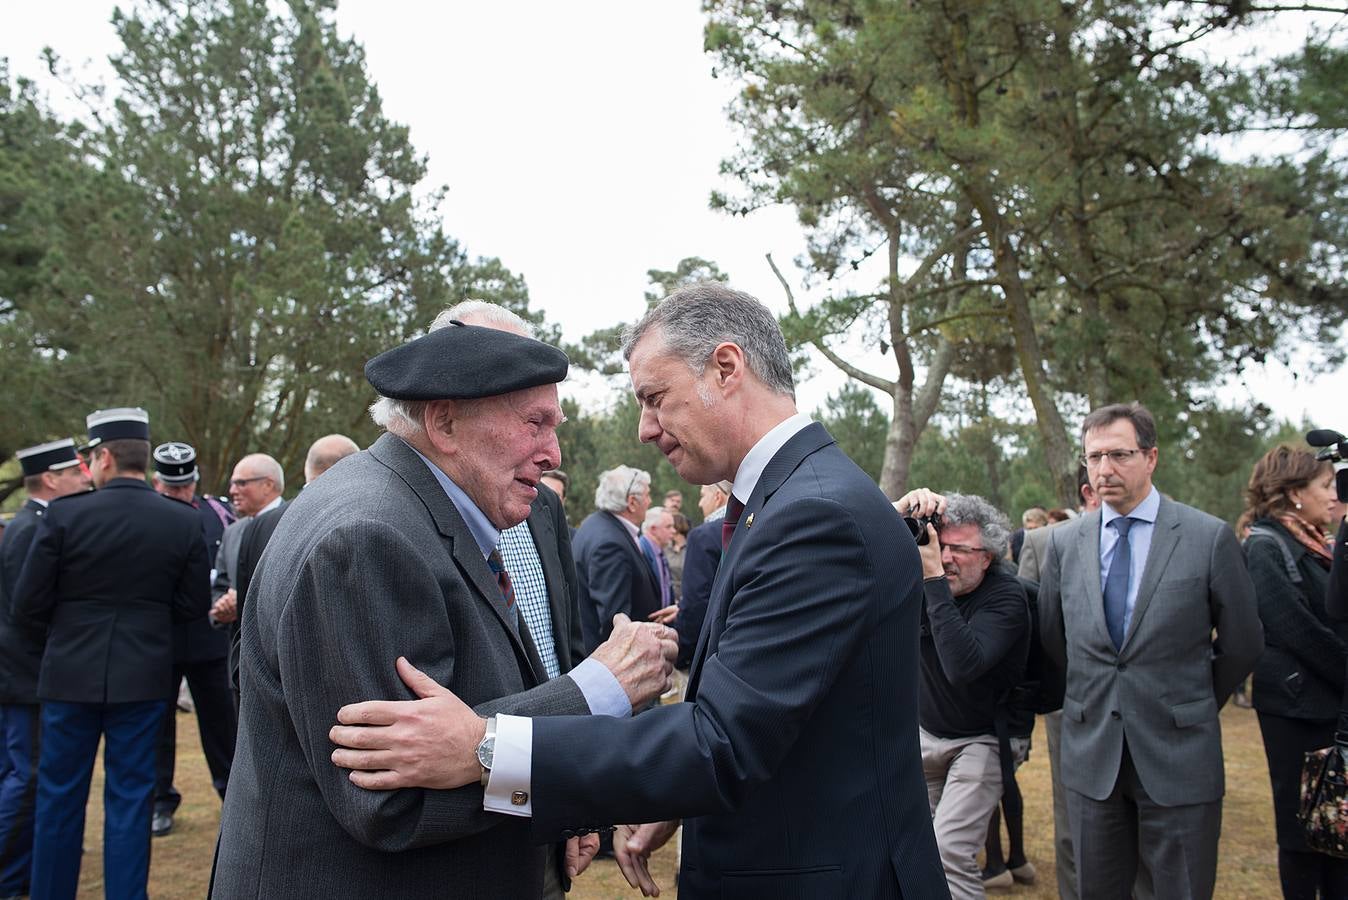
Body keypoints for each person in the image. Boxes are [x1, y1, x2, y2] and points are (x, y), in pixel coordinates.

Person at [330, 282, 949, 899]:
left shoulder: (814, 516)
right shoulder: (791, 501)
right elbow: (777, 719)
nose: (645, 429)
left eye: (656, 399)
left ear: (726, 368)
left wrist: (484, 748)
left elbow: (721, 744)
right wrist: (675, 797)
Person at [208, 321, 676, 898]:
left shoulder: (409, 512)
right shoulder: (368, 538)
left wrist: (554, 806)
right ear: (445, 422)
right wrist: (597, 692)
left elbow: (464, 726)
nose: (552, 453)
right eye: (535, 424)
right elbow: (394, 801)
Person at [1039, 402, 1262, 900]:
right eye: (1093, 458)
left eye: (1119, 454)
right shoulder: (1062, 544)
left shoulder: (1207, 538)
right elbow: (1056, 640)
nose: (1104, 470)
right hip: (1093, 757)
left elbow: (1244, 644)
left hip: (1179, 757)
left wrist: (1191, 701)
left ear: (1152, 457)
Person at [13, 408, 210, 900]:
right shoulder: (181, 521)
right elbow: (191, 607)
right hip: (142, 676)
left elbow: (28, 605)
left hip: (67, 675)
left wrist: (62, 642)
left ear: (103, 457)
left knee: (59, 799)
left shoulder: (64, 515)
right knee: (129, 799)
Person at [895, 489, 1030, 900]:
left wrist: (933, 577)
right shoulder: (917, 577)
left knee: (950, 853)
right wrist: (897, 513)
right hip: (928, 732)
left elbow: (961, 666)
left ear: (988, 557)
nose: (946, 557)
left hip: (984, 738)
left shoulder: (1006, 597)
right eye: (940, 545)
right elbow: (850, 550)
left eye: (959, 549)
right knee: (909, 849)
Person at [1242, 445, 1348, 899]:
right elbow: (1296, 629)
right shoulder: (1266, 545)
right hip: (1296, 711)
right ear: (1292, 492)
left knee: (1336, 828)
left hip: (1327, 705)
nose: (1334, 494)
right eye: (1325, 485)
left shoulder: (1318, 543)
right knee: (1302, 831)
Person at [0, 439, 89, 898]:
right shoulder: (32, 527)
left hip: (22, 675)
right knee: (26, 777)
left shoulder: (31, 522)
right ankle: (9, 877)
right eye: (75, 472)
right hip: (24, 677)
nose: (85, 478)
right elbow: (25, 613)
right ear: (52, 479)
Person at [148, 441, 238, 837]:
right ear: (157, 483)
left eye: (185, 488)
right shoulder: (146, 516)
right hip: (160, 637)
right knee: (159, 726)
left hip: (208, 637)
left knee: (222, 724)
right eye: (172, 489)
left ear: (196, 481)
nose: (180, 495)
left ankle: (232, 797)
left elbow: (234, 559)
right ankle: (160, 801)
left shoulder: (218, 512)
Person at [1019, 464, 1097, 899]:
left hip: (1151, 715)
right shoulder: (1042, 542)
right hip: (1069, 703)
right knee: (1073, 820)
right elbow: (1031, 621)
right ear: (1088, 491)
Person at [228, 435, 360, 693]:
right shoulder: (361, 520)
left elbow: (245, 613)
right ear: (355, 465)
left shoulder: (260, 525)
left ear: (307, 470)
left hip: (265, 674)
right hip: (335, 683)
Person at [573, 466, 662, 650]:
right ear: (631, 502)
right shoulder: (610, 543)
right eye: (647, 495)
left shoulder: (596, 524)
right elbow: (614, 620)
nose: (650, 501)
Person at [207, 453, 284, 629]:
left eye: (241, 483)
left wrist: (241, 599)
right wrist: (222, 606)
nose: (233, 491)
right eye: (233, 483)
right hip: (240, 645)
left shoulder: (294, 522)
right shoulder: (232, 532)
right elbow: (221, 585)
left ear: (267, 485)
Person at [676, 481, 731, 670]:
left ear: (717, 497)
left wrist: (681, 654)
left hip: (710, 654)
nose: (699, 504)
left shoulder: (703, 536)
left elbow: (698, 604)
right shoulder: (757, 523)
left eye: (702, 496)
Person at [639, 507, 677, 616]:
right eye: (668, 527)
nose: (674, 531)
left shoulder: (659, 551)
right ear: (653, 529)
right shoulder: (641, 551)